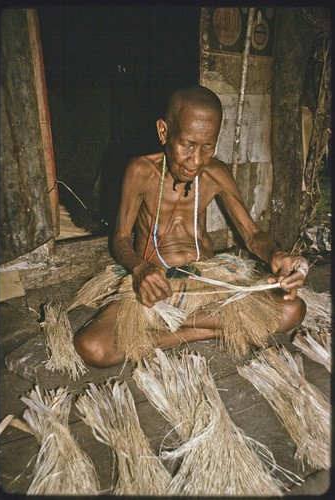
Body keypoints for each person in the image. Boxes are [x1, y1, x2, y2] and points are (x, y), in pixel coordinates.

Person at [74, 85, 309, 367]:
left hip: (209, 282)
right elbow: (121, 239)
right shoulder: (140, 171)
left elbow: (252, 233)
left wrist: (276, 256)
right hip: (156, 285)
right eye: (187, 144)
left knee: (293, 310)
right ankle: (217, 328)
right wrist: (140, 269)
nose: (195, 160)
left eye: (207, 147)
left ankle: (183, 329)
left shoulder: (216, 173)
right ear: (164, 132)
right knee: (92, 347)